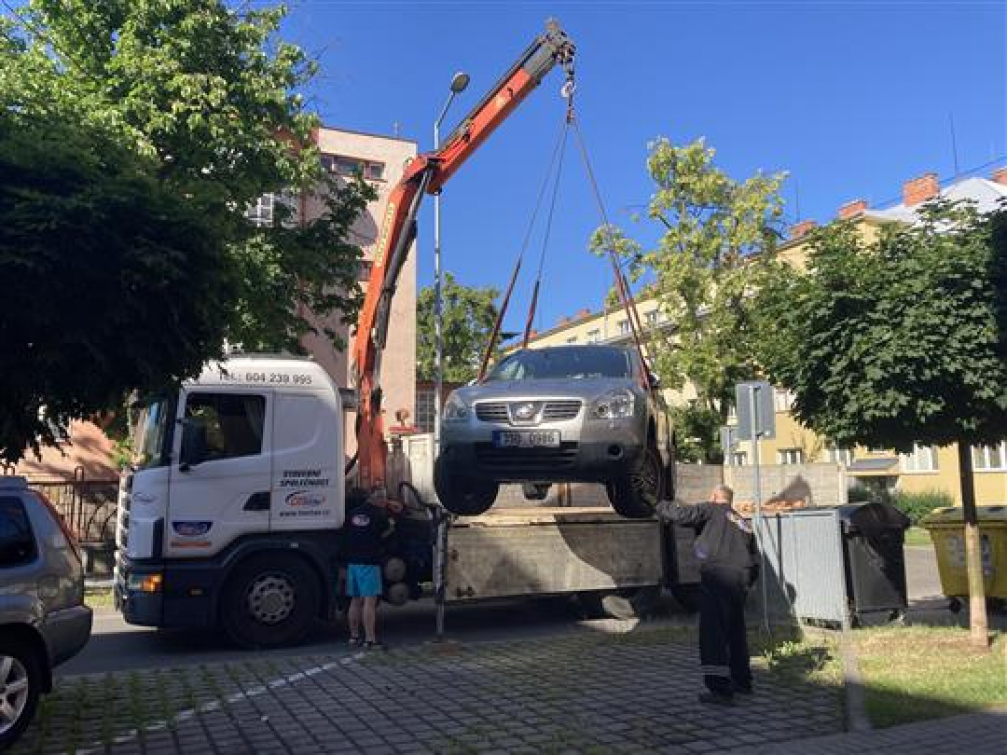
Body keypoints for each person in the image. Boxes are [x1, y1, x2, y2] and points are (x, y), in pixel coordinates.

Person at [657, 485, 759, 706]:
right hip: (740, 579)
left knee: (713, 634)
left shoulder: (712, 509)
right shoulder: (743, 522)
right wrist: (747, 584)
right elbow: (755, 559)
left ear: (715, 497)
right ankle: (742, 681)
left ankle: (720, 689)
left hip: (718, 576)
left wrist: (658, 505)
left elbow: (683, 515)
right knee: (735, 632)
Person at [342, 491, 398, 650]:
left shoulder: (353, 513)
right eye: (384, 498)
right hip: (369, 562)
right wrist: (392, 521)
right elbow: (388, 534)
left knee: (355, 600)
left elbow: (346, 533)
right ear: (379, 499)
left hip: (353, 563)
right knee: (369, 601)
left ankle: (353, 637)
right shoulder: (379, 516)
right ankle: (370, 639)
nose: (385, 501)